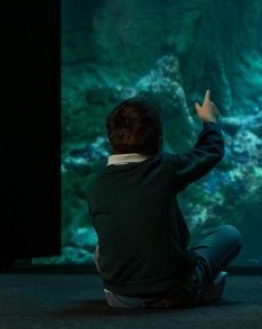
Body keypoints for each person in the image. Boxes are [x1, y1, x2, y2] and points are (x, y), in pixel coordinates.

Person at [88, 89, 242, 309]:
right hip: (175, 289)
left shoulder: (96, 185)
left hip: (119, 298)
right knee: (230, 235)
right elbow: (210, 152)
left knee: (101, 246)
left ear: (111, 139)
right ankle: (200, 289)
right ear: (158, 139)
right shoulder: (165, 168)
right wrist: (210, 121)